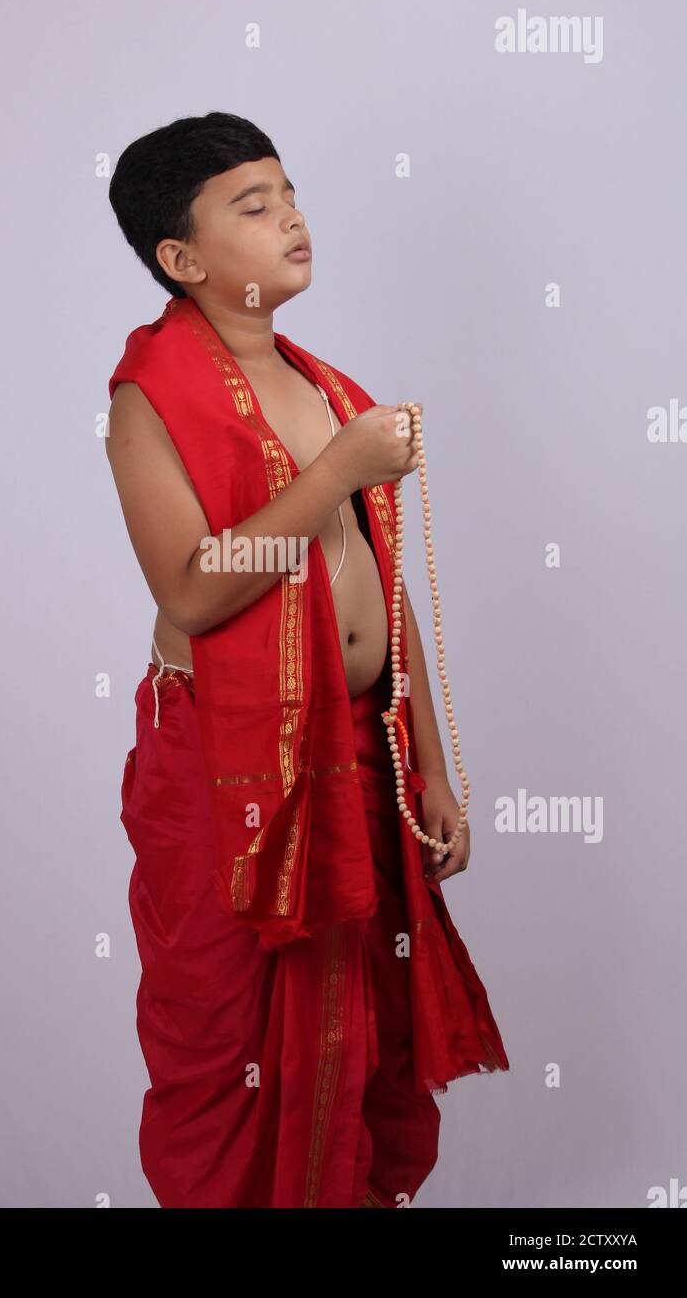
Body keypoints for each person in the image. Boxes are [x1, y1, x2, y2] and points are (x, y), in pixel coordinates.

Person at [104, 111, 508, 1208]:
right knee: (233, 1049)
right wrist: (340, 466)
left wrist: (429, 763)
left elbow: (381, 584)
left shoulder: (324, 384)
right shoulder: (148, 400)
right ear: (180, 261)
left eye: (286, 192)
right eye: (251, 204)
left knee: (362, 1038)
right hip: (228, 775)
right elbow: (190, 585)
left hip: (356, 755)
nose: (288, 215)